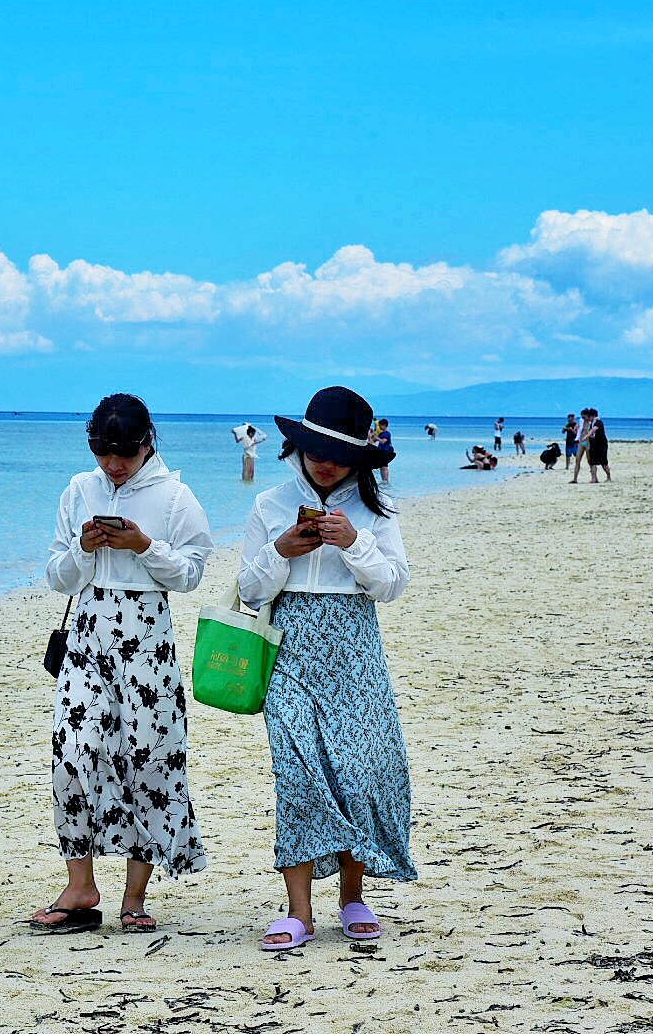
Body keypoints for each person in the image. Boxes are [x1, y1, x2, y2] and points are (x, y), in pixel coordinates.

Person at [238, 386, 414, 951]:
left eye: (337, 455)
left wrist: (355, 543)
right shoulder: (269, 505)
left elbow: (391, 586)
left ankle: (353, 896)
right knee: (297, 777)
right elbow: (247, 589)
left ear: (359, 460)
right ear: (297, 446)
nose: (324, 462)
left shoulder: (375, 509)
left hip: (355, 653)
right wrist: (282, 550)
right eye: (314, 449)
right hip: (289, 650)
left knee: (358, 775)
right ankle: (298, 912)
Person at [34, 393, 213, 935]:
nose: (113, 464)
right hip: (88, 633)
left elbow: (190, 575)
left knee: (148, 760)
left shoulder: (176, 496)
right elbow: (57, 578)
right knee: (70, 755)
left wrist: (144, 544)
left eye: (124, 453)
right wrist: (84, 550)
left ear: (147, 443)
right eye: (102, 450)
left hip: (147, 636)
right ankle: (81, 883)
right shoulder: (79, 489)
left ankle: (134, 897)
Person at [584, 411, 611, 483]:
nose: (588, 419)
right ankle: (594, 478)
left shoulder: (598, 422)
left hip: (601, 445)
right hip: (593, 444)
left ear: (593, 416)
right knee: (592, 462)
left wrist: (586, 436)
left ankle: (608, 477)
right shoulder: (591, 424)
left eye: (589, 417)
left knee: (603, 462)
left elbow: (593, 430)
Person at [569, 409, 593, 483]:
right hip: (581, 442)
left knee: (590, 461)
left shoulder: (592, 422)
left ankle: (594, 477)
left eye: (584, 416)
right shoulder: (581, 421)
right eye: (582, 417)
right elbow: (579, 430)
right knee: (577, 459)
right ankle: (575, 479)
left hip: (588, 441)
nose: (583, 418)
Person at [374, 418, 393, 483]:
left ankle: (386, 481)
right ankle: (383, 480)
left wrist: (376, 438)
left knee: (384, 466)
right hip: (381, 451)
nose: (379, 427)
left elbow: (383, 441)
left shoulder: (387, 433)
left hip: (386, 451)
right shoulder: (381, 434)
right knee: (381, 467)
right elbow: (374, 440)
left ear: (384, 425)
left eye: (380, 426)